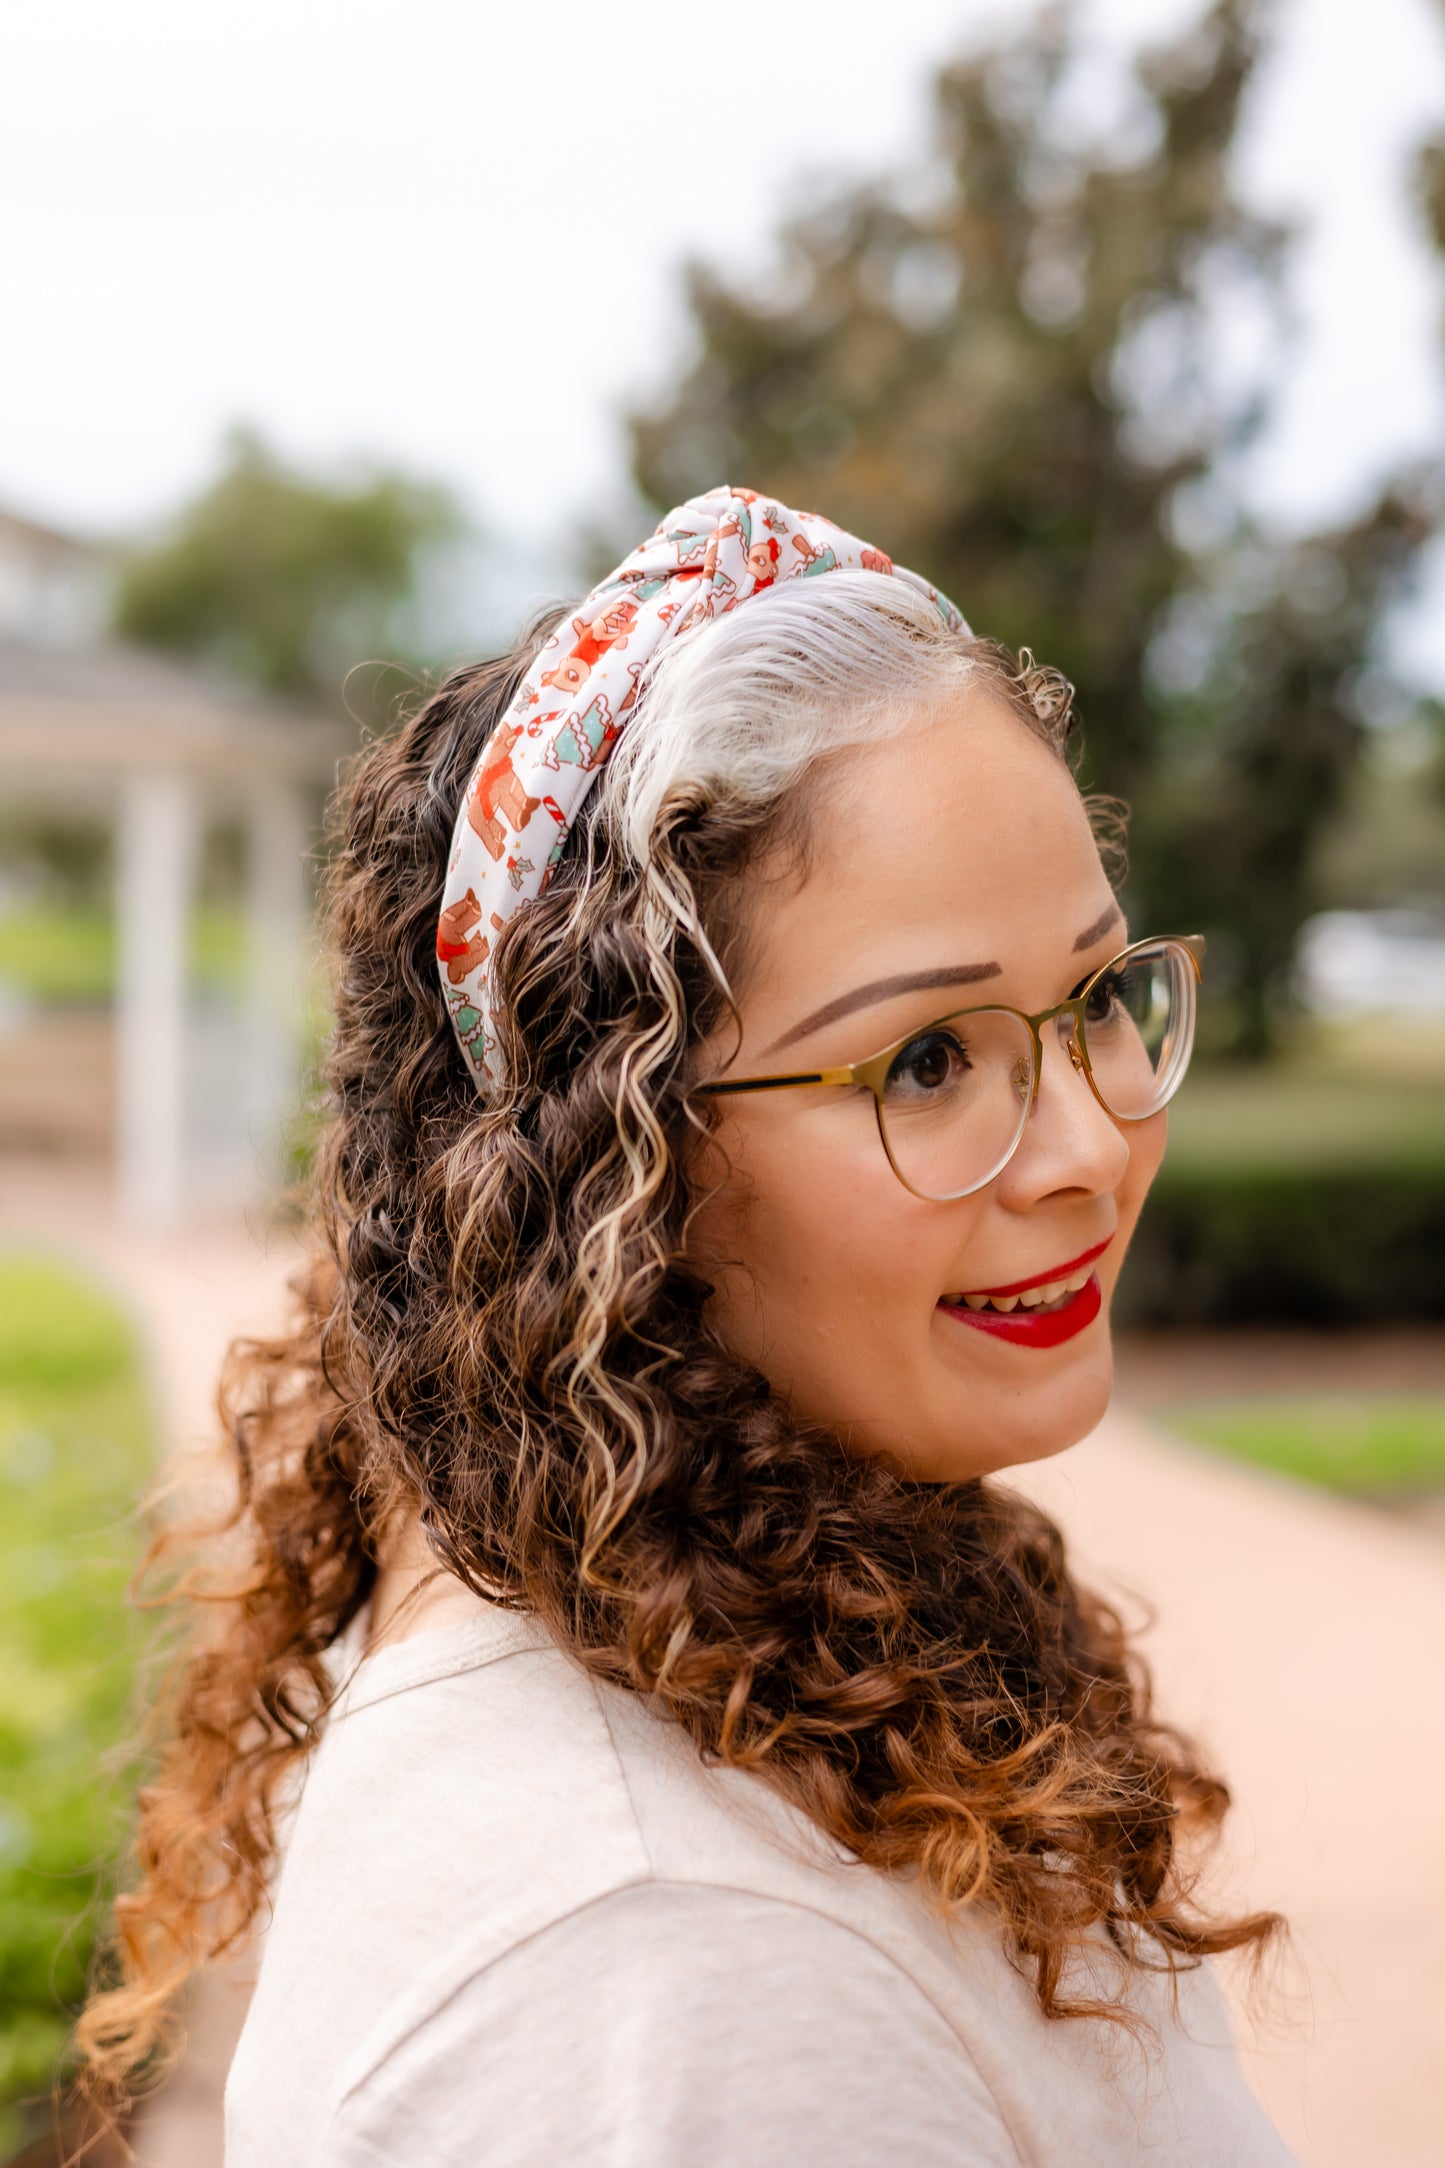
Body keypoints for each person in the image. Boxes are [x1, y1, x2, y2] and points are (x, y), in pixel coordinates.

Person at [78, 488, 1293, 2164]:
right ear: (615, 1172)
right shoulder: (654, 1965)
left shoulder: (783, 1620)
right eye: (925, 1061)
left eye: (1095, 999)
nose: (1089, 1148)